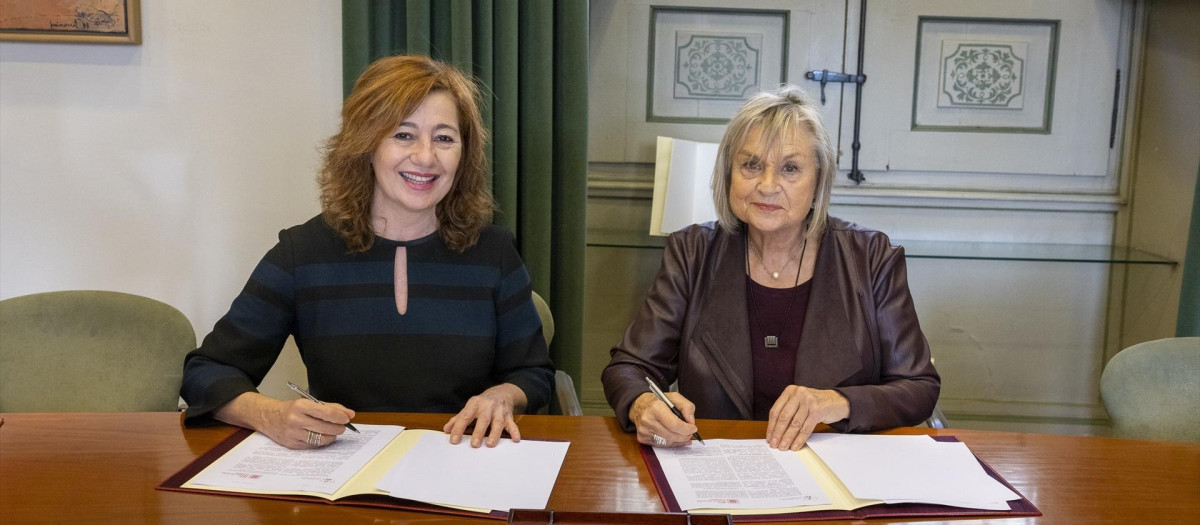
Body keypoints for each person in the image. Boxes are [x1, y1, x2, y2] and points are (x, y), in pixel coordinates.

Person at [181, 55, 554, 450]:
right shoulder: (303, 252)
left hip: (461, 463)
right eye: (403, 135)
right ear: (366, 144)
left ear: (464, 155)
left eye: (444, 138)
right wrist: (269, 414)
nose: (426, 157)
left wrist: (503, 396)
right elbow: (206, 371)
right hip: (339, 476)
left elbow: (533, 372)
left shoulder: (493, 252)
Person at [602, 85, 939, 451]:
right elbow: (629, 368)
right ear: (729, 173)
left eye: (790, 168)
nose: (767, 185)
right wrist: (643, 404)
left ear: (818, 182)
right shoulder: (693, 252)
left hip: (836, 476)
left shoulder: (871, 257)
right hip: (718, 470)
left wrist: (838, 402)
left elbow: (918, 386)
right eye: (751, 165)